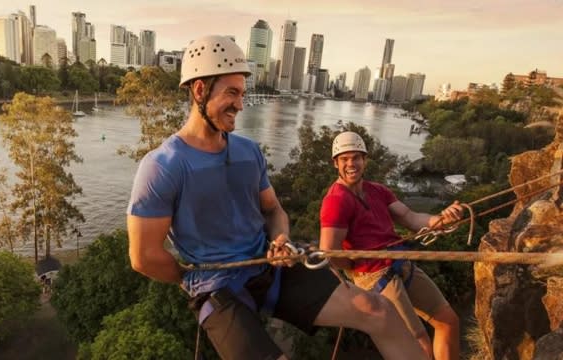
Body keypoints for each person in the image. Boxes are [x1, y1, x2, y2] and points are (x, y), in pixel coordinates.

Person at [126, 35, 426, 360]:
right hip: (216, 288)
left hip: (270, 269)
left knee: (378, 310)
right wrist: (192, 278)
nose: (240, 104)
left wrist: (280, 238)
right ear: (200, 90)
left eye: (242, 93)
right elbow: (143, 257)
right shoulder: (162, 166)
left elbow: (273, 210)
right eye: (231, 93)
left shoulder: (247, 151)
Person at [319, 131, 463, 360]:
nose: (351, 164)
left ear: (365, 160)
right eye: (344, 159)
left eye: (356, 157)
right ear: (336, 163)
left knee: (448, 321)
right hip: (374, 276)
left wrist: (441, 220)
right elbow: (330, 251)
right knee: (419, 348)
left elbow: (411, 218)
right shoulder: (336, 200)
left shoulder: (378, 190)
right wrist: (357, 266)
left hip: (399, 262)